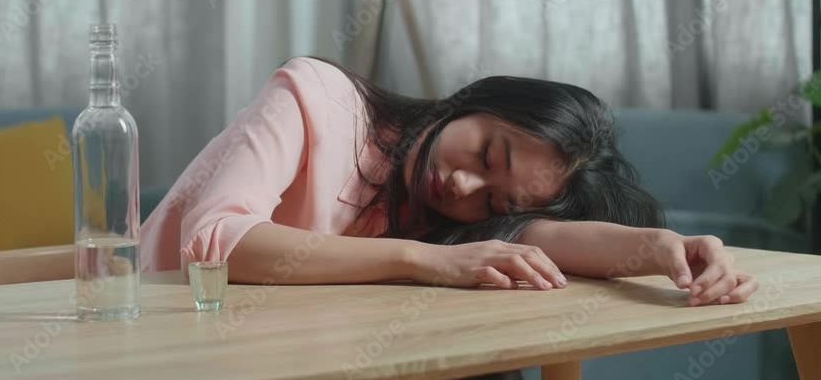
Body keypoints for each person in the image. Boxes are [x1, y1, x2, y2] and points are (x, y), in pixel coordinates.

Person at [139, 56, 757, 305]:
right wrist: (422, 261)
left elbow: (542, 238)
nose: (462, 187)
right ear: (471, 100)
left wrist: (661, 249)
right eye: (487, 152)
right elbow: (214, 243)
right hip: (159, 339)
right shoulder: (313, 97)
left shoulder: (445, 218)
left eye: (494, 200)